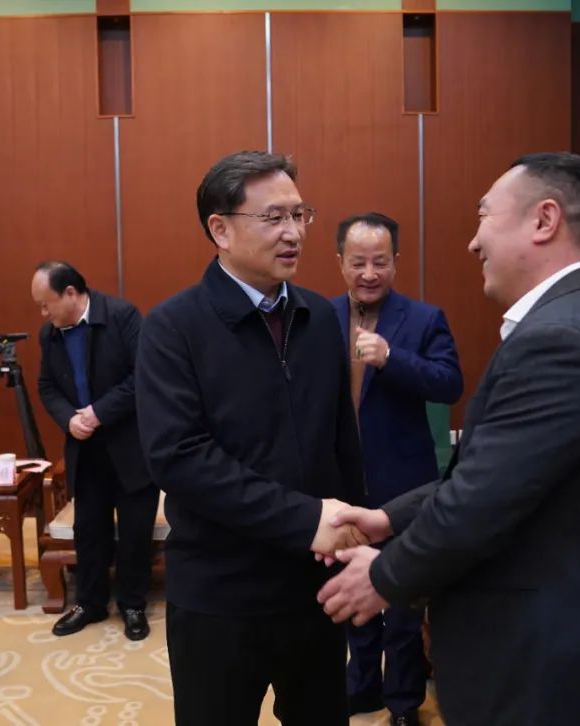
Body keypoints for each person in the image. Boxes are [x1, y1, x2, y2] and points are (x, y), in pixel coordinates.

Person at [319, 153, 580, 726]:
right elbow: (495, 473)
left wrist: (384, 575)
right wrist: (388, 519)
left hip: (559, 673)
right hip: (561, 655)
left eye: (484, 216)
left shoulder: (565, 339)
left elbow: (481, 499)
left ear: (544, 220)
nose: (473, 241)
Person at [135, 150, 367, 726]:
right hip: (219, 594)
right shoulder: (173, 327)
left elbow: (342, 443)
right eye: (273, 218)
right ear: (220, 229)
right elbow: (179, 459)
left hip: (315, 587)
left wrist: (355, 535)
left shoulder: (319, 316)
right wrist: (304, 518)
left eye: (300, 214)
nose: (294, 233)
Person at [332, 212, 463, 725]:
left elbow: (449, 383)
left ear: (396, 262)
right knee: (352, 590)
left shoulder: (423, 318)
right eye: (358, 262)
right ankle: (362, 685)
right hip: (341, 483)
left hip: (404, 484)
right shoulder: (318, 317)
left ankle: (403, 700)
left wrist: (392, 358)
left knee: (404, 597)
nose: (369, 273)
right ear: (340, 262)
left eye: (380, 262)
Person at [33, 261, 159, 641]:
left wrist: (99, 412)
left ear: (71, 293)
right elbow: (46, 386)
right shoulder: (49, 334)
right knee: (89, 530)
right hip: (85, 448)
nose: (43, 313)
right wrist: (68, 419)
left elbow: (142, 375)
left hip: (130, 445)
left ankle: (133, 604)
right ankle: (89, 602)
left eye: (46, 303)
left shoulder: (122, 316)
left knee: (135, 531)